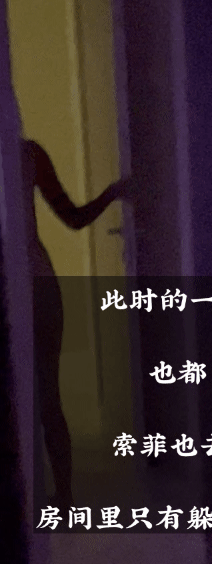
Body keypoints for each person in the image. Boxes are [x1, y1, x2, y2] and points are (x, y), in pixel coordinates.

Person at [21, 137, 134, 508]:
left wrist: (112, 193)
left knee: (42, 398)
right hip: (39, 285)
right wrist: (112, 193)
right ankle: (63, 497)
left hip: (35, 288)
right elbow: (73, 218)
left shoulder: (28, 154)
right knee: (48, 398)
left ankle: (55, 498)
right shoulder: (28, 153)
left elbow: (72, 218)